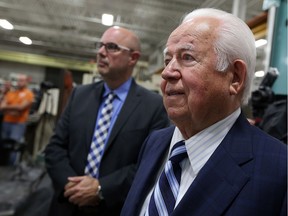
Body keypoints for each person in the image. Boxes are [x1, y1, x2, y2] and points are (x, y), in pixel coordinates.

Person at [121, 8, 287, 216]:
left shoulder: (280, 170)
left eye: (187, 57)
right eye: (167, 60)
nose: (167, 72)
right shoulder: (155, 143)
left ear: (235, 78)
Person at [44, 26, 170, 216]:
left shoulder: (154, 106)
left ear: (133, 58)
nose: (101, 52)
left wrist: (101, 188)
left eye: (111, 47)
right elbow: (55, 148)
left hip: (113, 207)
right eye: (100, 45)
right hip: (67, 204)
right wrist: (71, 186)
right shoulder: (79, 95)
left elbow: (149, 163)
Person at [0, 75, 34, 142]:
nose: (19, 82)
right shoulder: (11, 93)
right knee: (3, 146)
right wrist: (14, 109)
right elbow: (1, 106)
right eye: (18, 80)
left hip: (18, 124)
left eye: (22, 80)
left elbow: (21, 107)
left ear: (26, 82)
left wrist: (7, 108)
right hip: (6, 122)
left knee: (14, 146)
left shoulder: (28, 94)